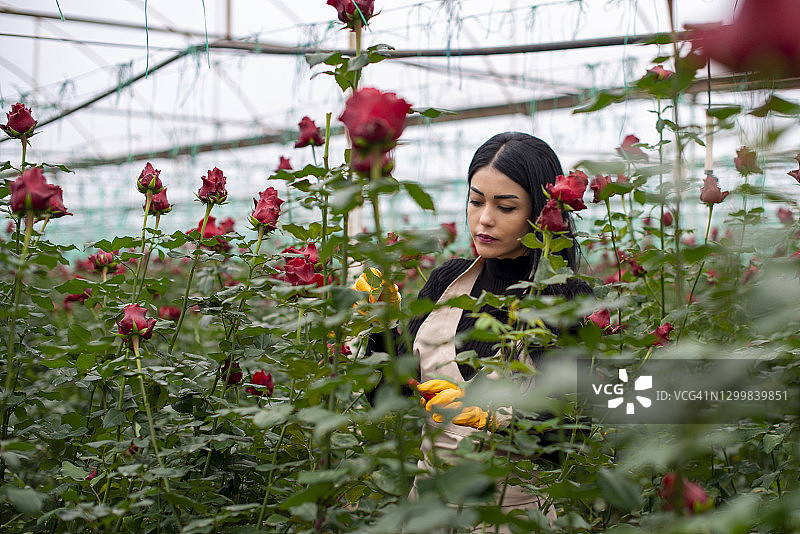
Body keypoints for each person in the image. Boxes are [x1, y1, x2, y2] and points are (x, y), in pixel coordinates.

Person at [364, 132, 593, 527]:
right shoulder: (448, 281)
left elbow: (572, 436)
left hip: (511, 517)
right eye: (475, 201)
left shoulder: (565, 299)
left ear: (540, 212)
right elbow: (390, 394)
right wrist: (378, 322)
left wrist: (492, 417)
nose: (484, 219)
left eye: (505, 206)